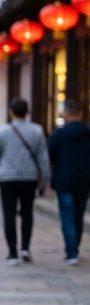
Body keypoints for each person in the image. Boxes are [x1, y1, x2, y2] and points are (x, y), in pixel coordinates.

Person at [0, 98, 50, 266]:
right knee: (27, 212)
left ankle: (12, 253)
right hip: (29, 177)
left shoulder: (3, 131)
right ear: (27, 112)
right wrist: (46, 179)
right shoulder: (37, 130)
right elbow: (43, 157)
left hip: (8, 178)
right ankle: (25, 249)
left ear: (11, 112)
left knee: (9, 214)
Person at [48, 99, 90, 265]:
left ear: (65, 114)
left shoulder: (59, 134)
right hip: (84, 179)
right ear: (80, 114)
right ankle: (75, 249)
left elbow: (49, 154)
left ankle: (71, 252)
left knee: (67, 215)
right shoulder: (88, 132)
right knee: (78, 215)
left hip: (63, 179)